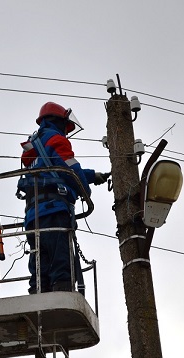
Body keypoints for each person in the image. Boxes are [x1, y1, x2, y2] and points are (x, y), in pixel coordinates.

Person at [18, 102, 109, 294]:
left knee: (39, 259)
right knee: (60, 258)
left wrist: (93, 175)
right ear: (58, 121)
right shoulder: (56, 139)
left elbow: (52, 170)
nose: (66, 132)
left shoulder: (34, 145)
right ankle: (62, 291)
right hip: (54, 209)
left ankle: (38, 294)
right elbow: (71, 169)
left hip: (33, 215)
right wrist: (86, 191)